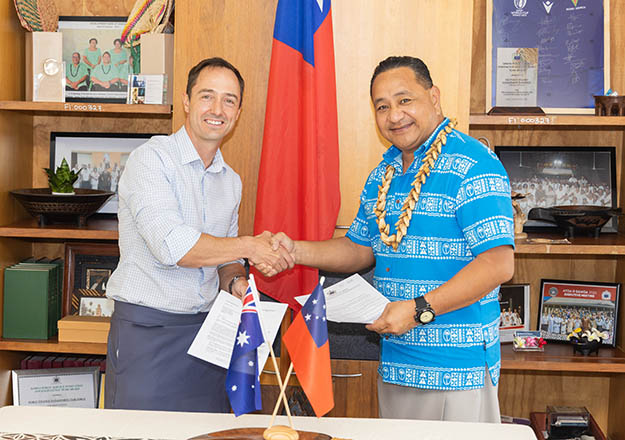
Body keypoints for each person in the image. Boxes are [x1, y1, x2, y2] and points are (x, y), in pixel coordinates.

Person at [271, 56, 514, 422]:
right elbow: (358, 248)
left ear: (434, 97)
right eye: (382, 106)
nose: (394, 115)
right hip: (397, 359)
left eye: (405, 100)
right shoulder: (382, 174)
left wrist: (418, 310)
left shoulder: (474, 164)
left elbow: (498, 264)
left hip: (455, 368)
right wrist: (295, 250)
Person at [104, 57, 294, 412]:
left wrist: (237, 281)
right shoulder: (151, 160)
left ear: (238, 112)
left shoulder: (231, 181)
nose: (217, 109)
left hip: (210, 338)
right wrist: (252, 245)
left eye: (229, 100)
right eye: (207, 96)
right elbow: (172, 247)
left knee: (211, 433)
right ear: (187, 101)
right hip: (148, 334)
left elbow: (228, 260)